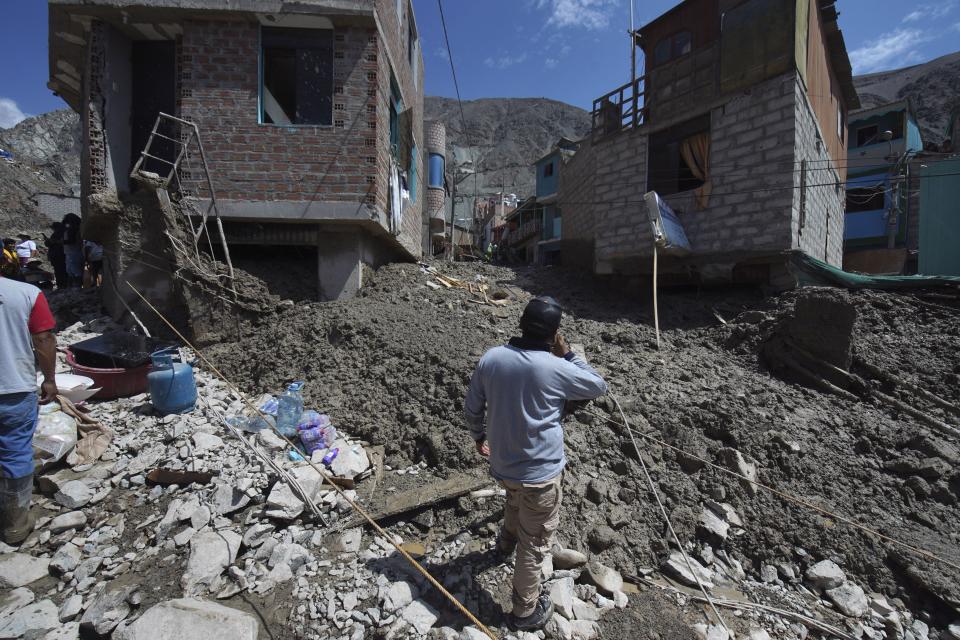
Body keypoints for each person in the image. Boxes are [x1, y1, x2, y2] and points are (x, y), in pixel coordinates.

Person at [464, 296, 608, 631]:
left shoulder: (492, 357)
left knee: (514, 498)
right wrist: (569, 352)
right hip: (541, 473)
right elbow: (598, 384)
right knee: (536, 543)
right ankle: (524, 612)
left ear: (522, 323)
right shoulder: (556, 367)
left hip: (503, 465)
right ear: (554, 333)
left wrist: (478, 437)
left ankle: (504, 543)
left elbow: (472, 409)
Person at [0, 265, 58, 545]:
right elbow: (43, 338)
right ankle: (15, 524)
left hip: (14, 388)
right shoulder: (26, 293)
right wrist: (49, 379)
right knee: (15, 450)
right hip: (14, 387)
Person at [44, 222, 68, 289]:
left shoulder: (57, 234)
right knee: (62, 271)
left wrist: (48, 241)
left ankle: (61, 285)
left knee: (59, 271)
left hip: (57, 255)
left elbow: (50, 243)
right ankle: (64, 285)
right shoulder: (64, 233)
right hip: (62, 255)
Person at [62, 214, 83, 287]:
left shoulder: (72, 229)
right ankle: (74, 287)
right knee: (72, 271)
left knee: (74, 271)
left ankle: (77, 287)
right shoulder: (76, 229)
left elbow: (72, 241)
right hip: (73, 252)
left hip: (73, 252)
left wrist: (60, 242)